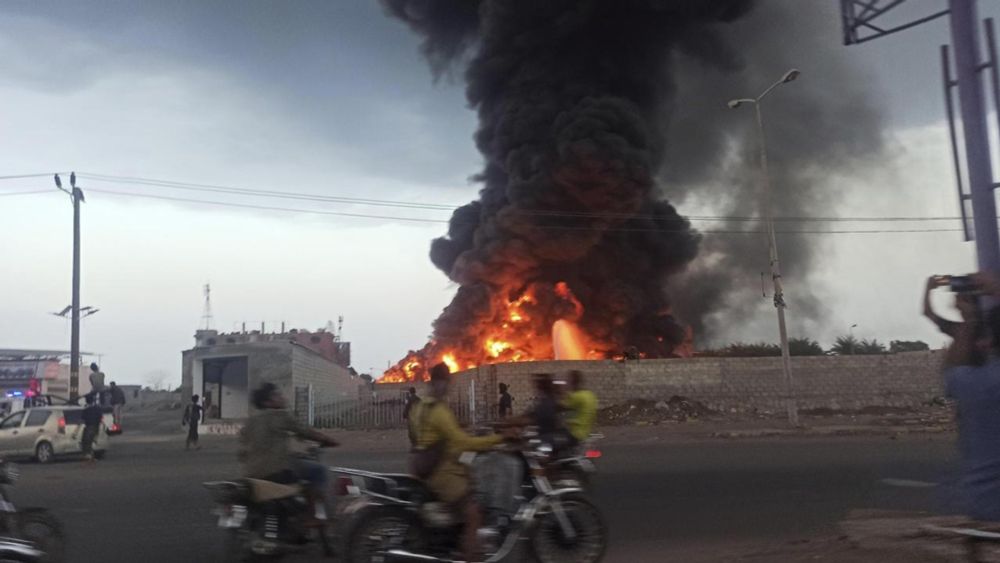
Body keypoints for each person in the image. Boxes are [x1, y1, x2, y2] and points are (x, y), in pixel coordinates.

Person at [409, 363, 510, 562]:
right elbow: (462, 442)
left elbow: (420, 436)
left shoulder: (419, 407)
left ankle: (454, 537)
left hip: (419, 465)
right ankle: (470, 555)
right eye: (446, 382)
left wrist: (455, 430)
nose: (446, 387)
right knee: (473, 512)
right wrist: (499, 439)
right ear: (442, 382)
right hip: (440, 472)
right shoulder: (439, 411)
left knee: (467, 477)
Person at [941, 273, 1000, 521]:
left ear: (989, 342)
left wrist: (969, 319)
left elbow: (951, 373)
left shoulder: (973, 383)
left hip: (984, 507)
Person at [238, 383, 339, 519]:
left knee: (296, 463)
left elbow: (244, 451)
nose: (282, 397)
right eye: (277, 395)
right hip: (276, 470)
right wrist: (328, 440)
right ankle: (315, 515)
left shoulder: (250, 421)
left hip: (250, 473)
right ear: (267, 402)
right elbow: (305, 431)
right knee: (318, 470)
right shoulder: (280, 415)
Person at [562, 370, 598, 446]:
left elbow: (562, 406)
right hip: (586, 430)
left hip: (575, 433)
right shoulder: (590, 394)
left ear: (572, 382)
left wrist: (563, 392)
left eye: (567, 380)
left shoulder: (577, 396)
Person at [80, 393, 104, 462]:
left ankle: (88, 456)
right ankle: (90, 456)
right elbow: (100, 418)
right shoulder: (97, 409)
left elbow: (82, 418)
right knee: (90, 442)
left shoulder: (86, 410)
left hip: (89, 427)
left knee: (86, 442)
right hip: (95, 427)